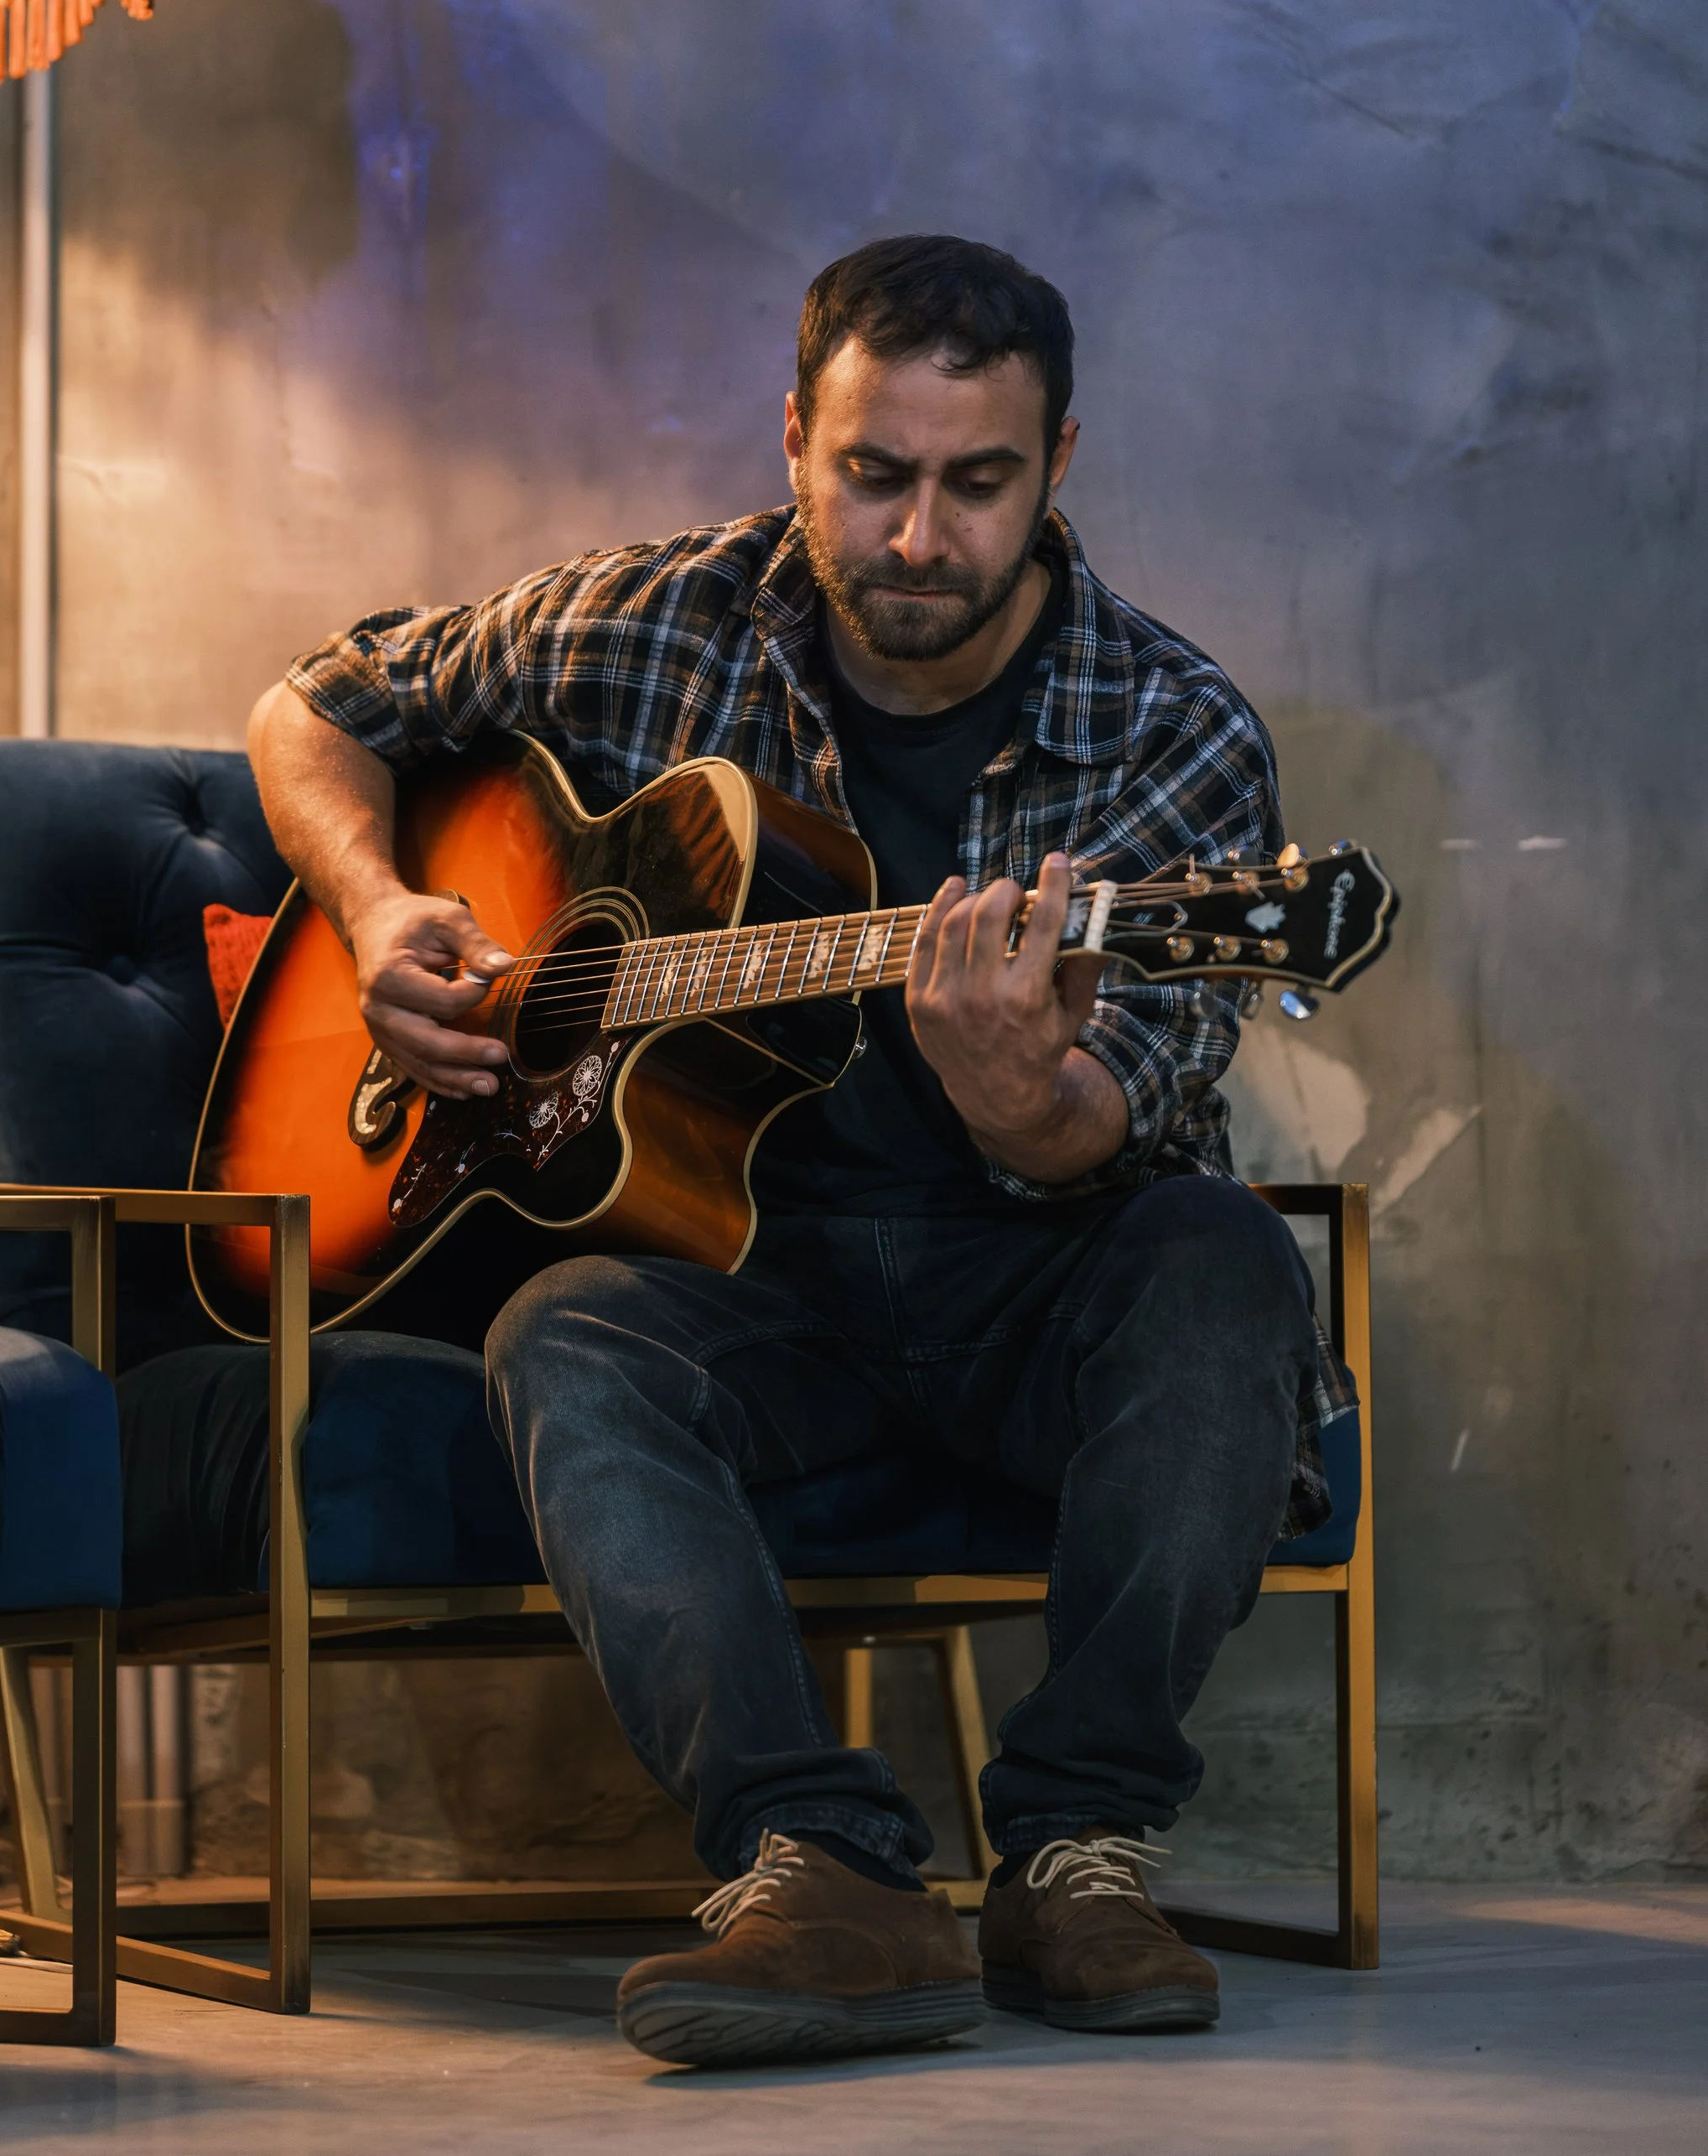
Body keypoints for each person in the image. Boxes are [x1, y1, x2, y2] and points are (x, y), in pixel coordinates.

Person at [248, 234, 1347, 2069]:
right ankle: (817, 1870)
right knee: (563, 1332)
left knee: (1224, 1256)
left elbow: (1123, 1115)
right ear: (791, 439)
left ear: (1058, 463)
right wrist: (372, 911)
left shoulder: (1172, 732)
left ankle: (1074, 1852)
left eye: (977, 482)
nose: (917, 537)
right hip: (745, 1284)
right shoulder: (646, 621)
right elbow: (313, 707)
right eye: (872, 472)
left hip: (1035, 1279)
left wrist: (1019, 1090)